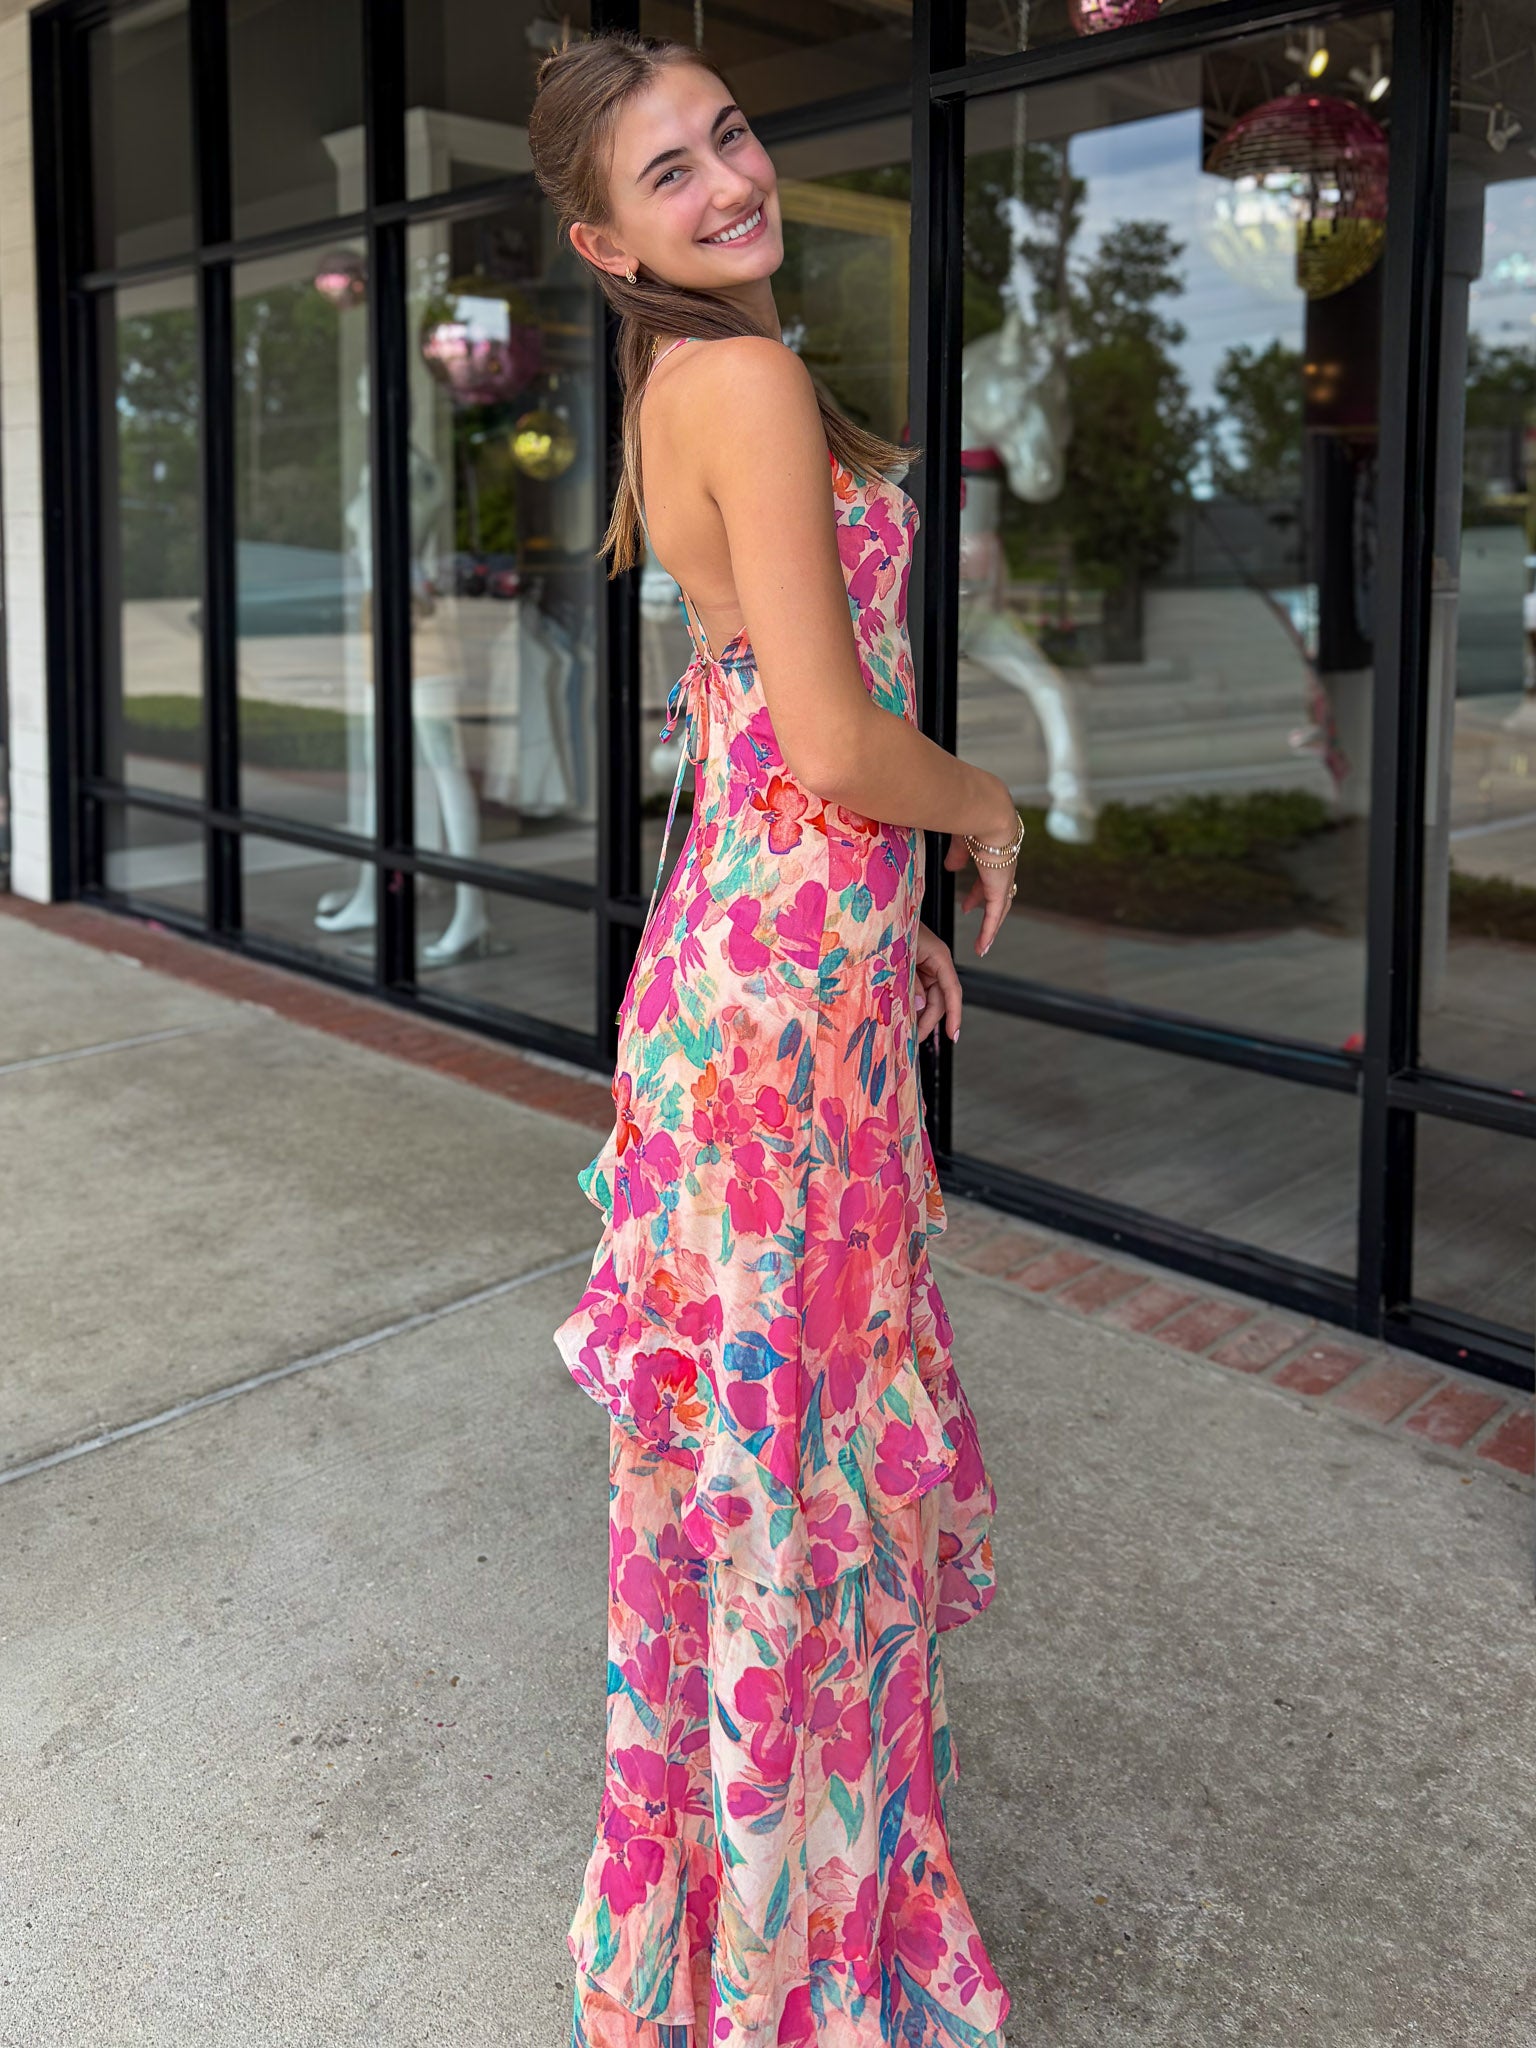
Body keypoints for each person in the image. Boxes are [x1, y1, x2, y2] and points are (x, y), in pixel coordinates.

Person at [530, 30, 1021, 2045]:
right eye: (672, 171)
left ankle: (730, 1941)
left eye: (726, 133)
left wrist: (880, 928)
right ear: (603, 234)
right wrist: (982, 811)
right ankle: (794, 1975)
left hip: (761, 984)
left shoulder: (681, 387)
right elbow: (829, 735)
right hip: (763, 1023)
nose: (728, 180)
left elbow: (757, 734)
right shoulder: (739, 375)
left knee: (756, 1504)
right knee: (795, 1512)